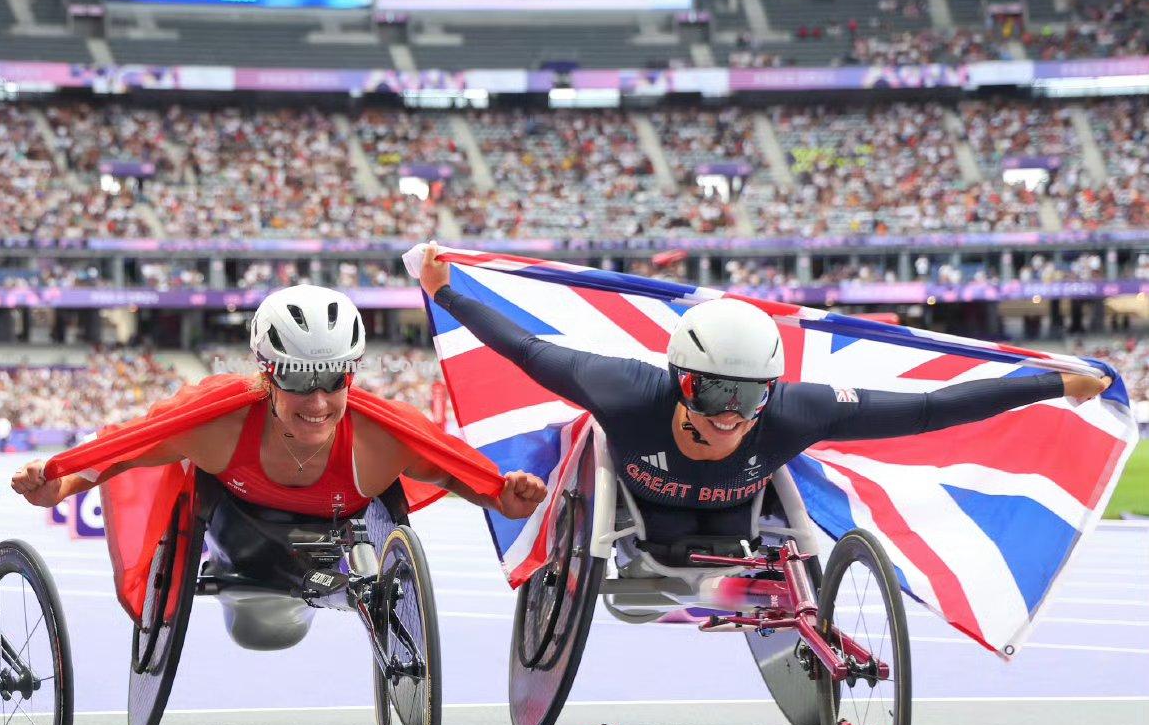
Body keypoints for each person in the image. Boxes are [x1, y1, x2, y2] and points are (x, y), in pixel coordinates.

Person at [419, 245, 1109, 546]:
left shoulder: (793, 412)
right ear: (680, 382)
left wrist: (1051, 384)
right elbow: (524, 348)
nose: (730, 414)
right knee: (670, 535)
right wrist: (445, 291)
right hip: (642, 517)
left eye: (749, 399)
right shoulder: (624, 390)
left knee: (734, 535)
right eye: (714, 392)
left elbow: (929, 409)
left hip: (738, 525)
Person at [11, 285, 547, 647]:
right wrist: (61, 485)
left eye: (334, 380)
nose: (317, 402)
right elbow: (124, 448)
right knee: (257, 631)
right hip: (240, 534)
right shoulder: (216, 424)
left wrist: (502, 495)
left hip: (340, 537)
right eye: (297, 381)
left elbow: (457, 472)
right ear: (268, 375)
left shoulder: (382, 437)